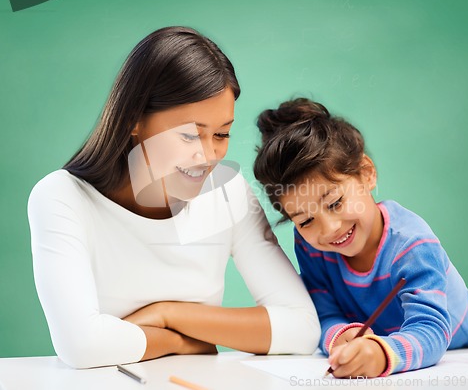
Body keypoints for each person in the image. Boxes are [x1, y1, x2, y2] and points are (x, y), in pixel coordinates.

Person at [27, 27, 320, 369]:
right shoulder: (62, 197)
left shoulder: (228, 192)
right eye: (188, 135)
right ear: (134, 120)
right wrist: (186, 342)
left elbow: (302, 329)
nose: (208, 155)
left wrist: (167, 315)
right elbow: (80, 346)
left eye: (222, 134)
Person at [253, 98, 468, 378]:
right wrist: (339, 337)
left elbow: (431, 330)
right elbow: (323, 313)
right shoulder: (311, 248)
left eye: (334, 202)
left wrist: (381, 354)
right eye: (306, 220)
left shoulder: (412, 244)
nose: (329, 228)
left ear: (366, 173)